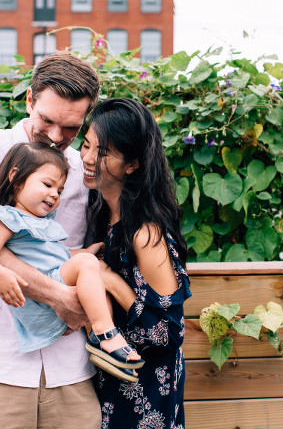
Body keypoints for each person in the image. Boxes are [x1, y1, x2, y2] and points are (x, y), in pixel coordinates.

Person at [0, 52, 102, 429]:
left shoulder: (81, 170)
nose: (57, 137)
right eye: (47, 120)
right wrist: (58, 296)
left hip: (71, 368)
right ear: (29, 99)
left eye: (72, 128)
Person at [0, 141, 144, 382]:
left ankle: (101, 340)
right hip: (40, 301)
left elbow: (54, 256)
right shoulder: (6, 217)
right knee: (87, 265)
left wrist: (84, 252)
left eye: (60, 190)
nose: (54, 194)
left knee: (93, 273)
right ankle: (106, 334)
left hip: (54, 288)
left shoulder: (39, 222)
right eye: (47, 185)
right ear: (16, 178)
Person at [80, 98, 191, 428]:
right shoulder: (102, 215)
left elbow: (168, 333)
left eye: (102, 153)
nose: (87, 159)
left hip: (146, 393)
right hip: (111, 379)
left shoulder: (145, 233)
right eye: (86, 145)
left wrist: (110, 280)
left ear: (132, 164)